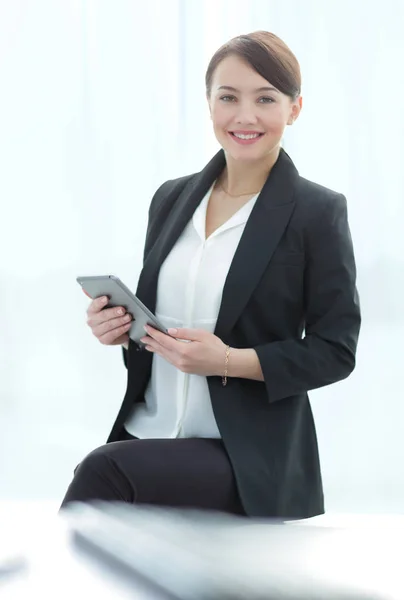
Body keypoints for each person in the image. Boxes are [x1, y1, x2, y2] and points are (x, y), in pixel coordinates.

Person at [60, 31, 361, 519]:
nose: (244, 116)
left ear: (294, 108)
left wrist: (228, 361)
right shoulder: (171, 199)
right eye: (228, 98)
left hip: (243, 452)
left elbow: (335, 351)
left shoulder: (316, 211)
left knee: (103, 472)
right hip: (149, 434)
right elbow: (163, 325)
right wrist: (121, 331)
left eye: (265, 98)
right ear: (209, 105)